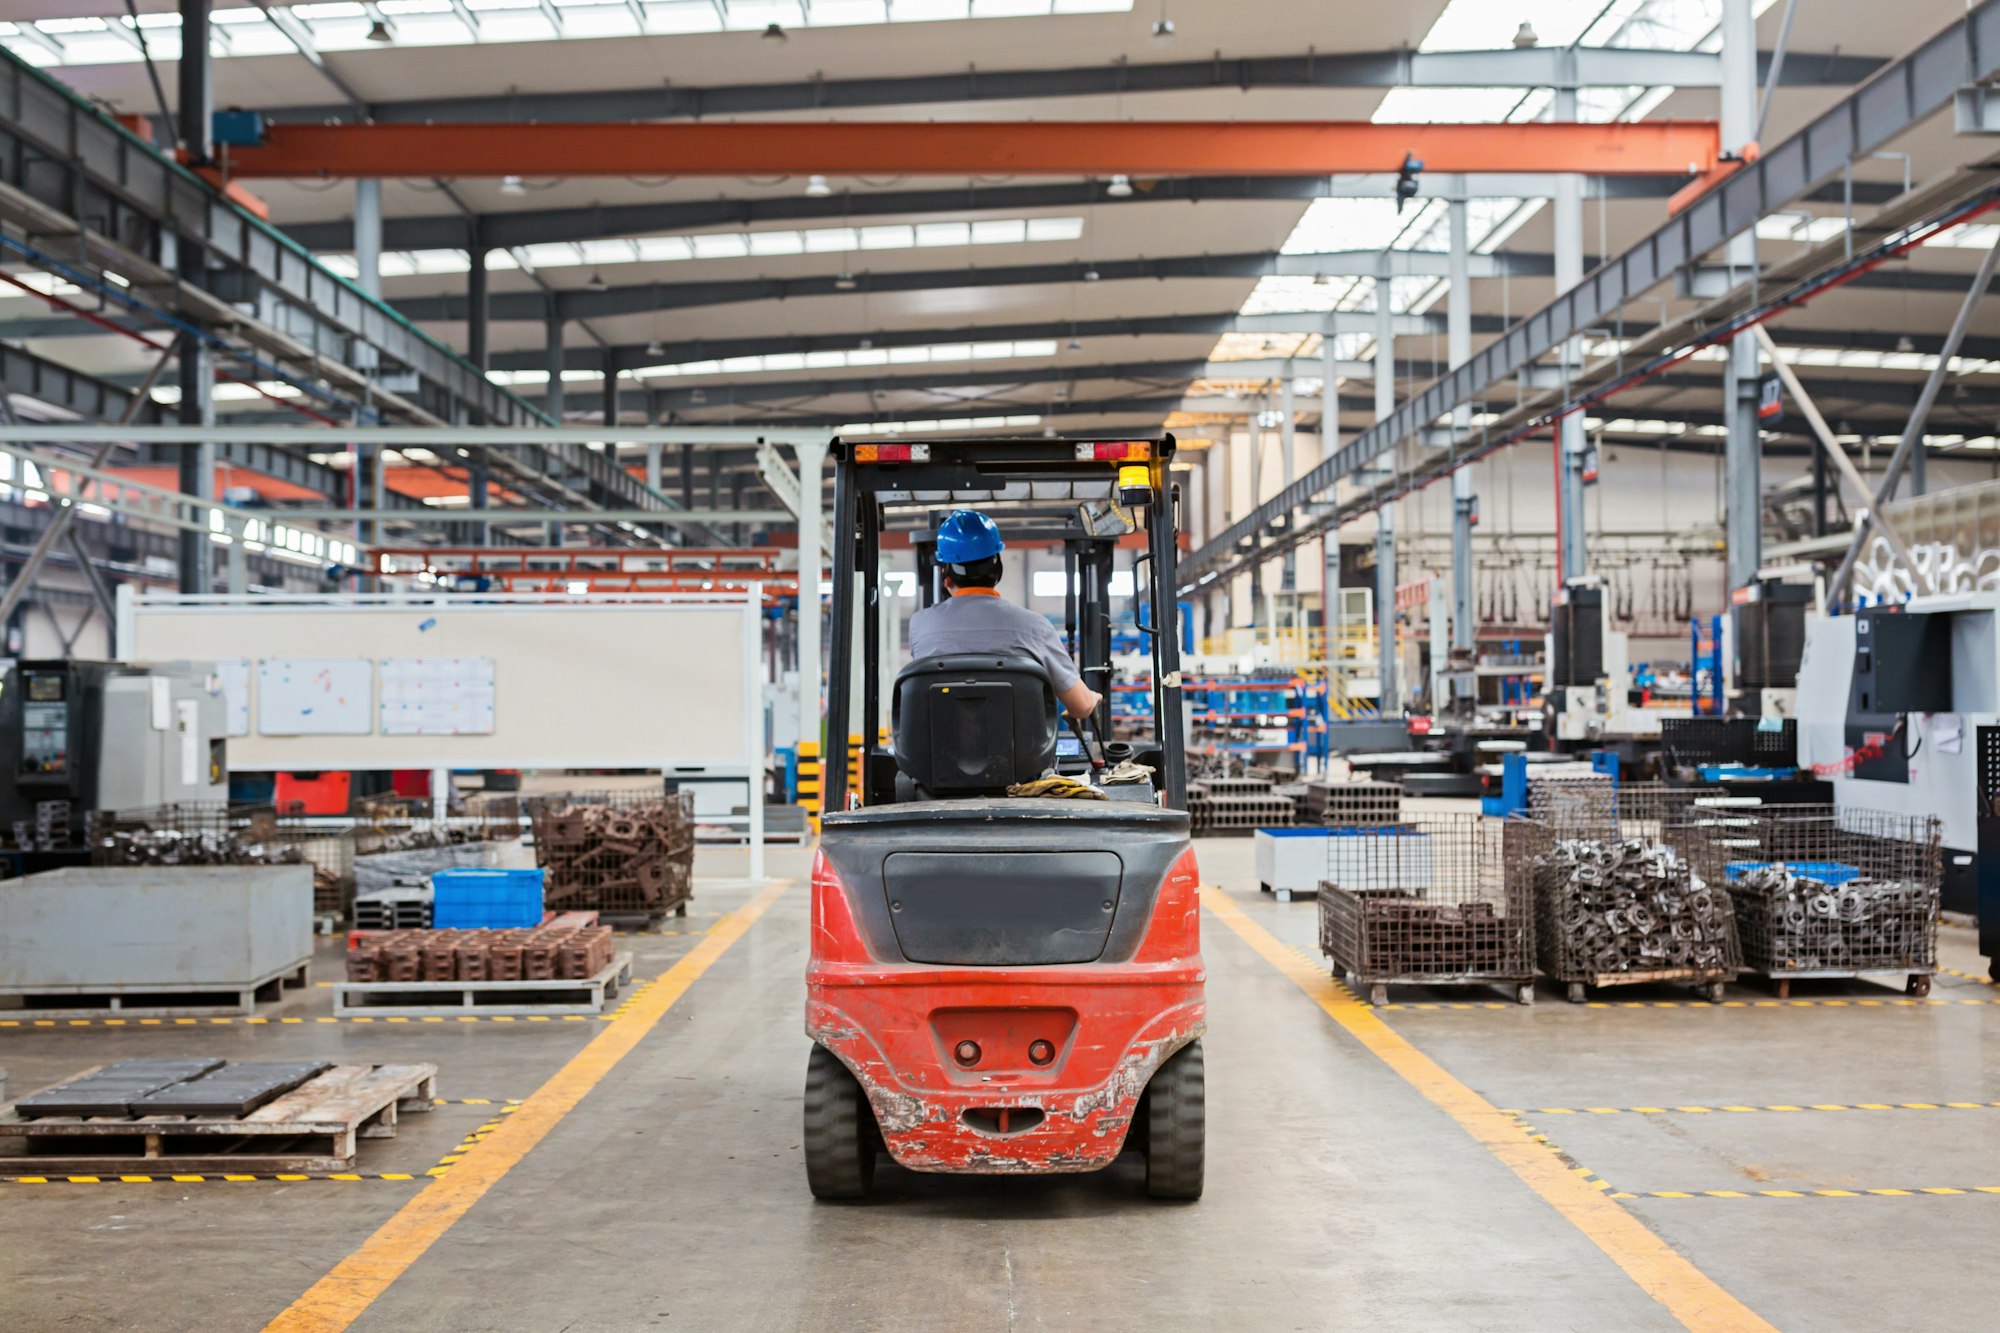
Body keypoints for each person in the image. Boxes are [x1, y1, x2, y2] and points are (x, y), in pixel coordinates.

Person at [906, 509, 1104, 721]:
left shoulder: (920, 625)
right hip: (1020, 754)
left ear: (946, 578)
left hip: (939, 753)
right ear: (997, 571)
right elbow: (1082, 707)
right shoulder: (1033, 627)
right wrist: (1092, 697)